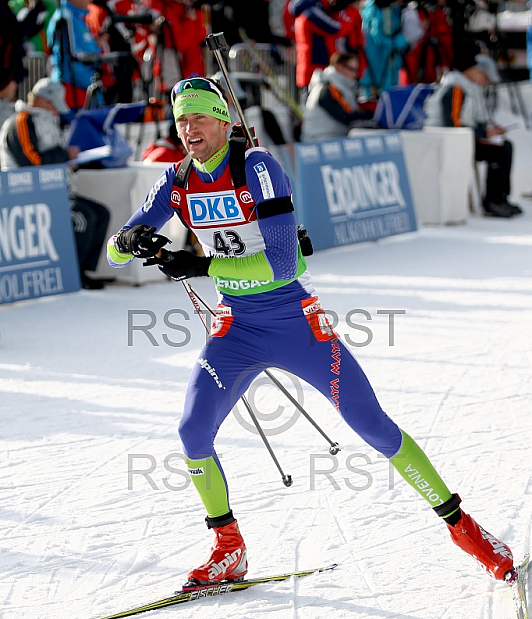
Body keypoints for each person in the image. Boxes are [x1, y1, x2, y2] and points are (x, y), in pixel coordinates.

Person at [107, 75, 516, 589]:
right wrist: (133, 240)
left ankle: (472, 534)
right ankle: (228, 549)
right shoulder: (178, 179)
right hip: (236, 328)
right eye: (181, 119)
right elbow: (114, 252)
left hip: (295, 323)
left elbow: (282, 262)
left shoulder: (257, 166)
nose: (189, 129)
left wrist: (198, 265)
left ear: (225, 120)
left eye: (200, 118)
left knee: (375, 427)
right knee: (192, 433)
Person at [0, 77, 111, 289]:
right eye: (53, 106)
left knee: (101, 213)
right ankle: (73, 275)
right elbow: (31, 161)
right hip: (28, 196)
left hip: (55, 191)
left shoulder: (45, 120)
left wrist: (69, 163)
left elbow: (50, 160)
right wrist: (64, 155)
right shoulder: (21, 121)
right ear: (41, 101)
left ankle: (83, 271)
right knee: (82, 218)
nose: (56, 112)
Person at [424, 51, 522, 218]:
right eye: (484, 77)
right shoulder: (455, 87)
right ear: (474, 71)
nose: (485, 82)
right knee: (499, 151)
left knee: (504, 146)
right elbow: (453, 124)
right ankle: (493, 201)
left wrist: (490, 129)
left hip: (465, 139)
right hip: (450, 142)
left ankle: (501, 197)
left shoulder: (469, 89)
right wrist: (484, 132)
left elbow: (470, 119)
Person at [301, 50, 374, 141]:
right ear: (340, 67)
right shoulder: (328, 87)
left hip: (332, 137)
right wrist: (372, 114)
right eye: (352, 69)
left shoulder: (340, 86)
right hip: (319, 140)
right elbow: (344, 115)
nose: (355, 74)